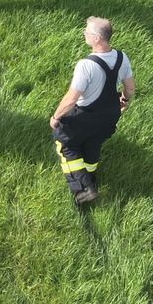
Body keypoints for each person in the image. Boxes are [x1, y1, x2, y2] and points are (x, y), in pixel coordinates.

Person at [49, 17, 135, 206]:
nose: (84, 35)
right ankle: (91, 176)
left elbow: (71, 99)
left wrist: (56, 117)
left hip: (86, 115)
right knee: (93, 142)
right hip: (110, 115)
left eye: (86, 32)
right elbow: (130, 87)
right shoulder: (122, 57)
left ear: (96, 38)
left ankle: (83, 188)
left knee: (64, 143)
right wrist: (124, 100)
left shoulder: (86, 65)